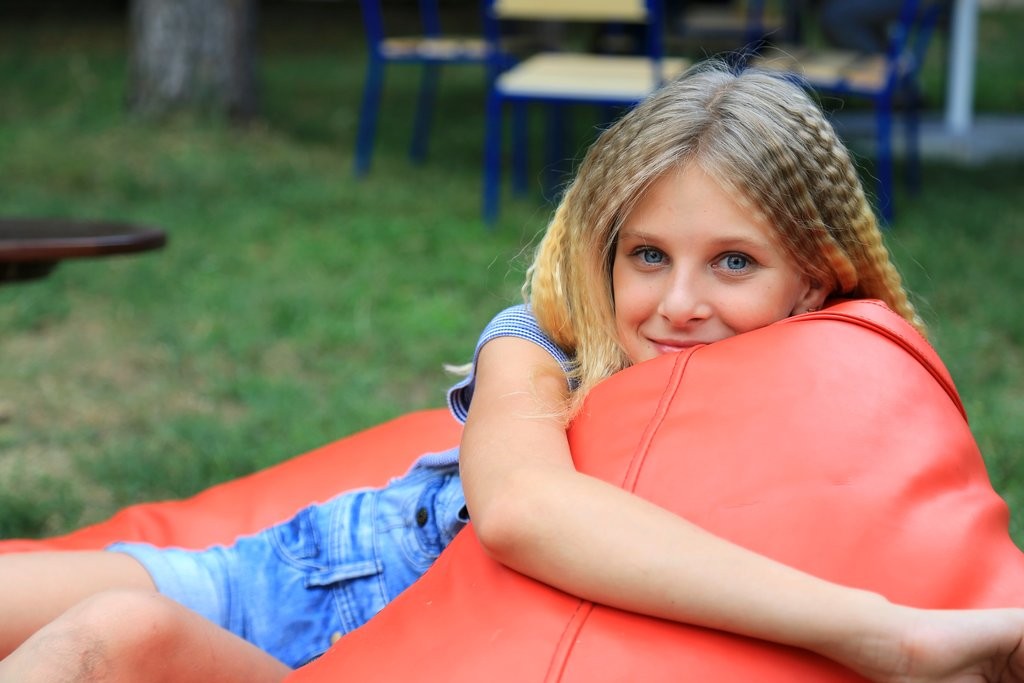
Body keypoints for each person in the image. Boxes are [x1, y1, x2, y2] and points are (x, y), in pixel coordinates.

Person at [2, 60, 1024, 682]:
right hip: (283, 581)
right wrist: (883, 635)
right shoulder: (538, 343)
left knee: (110, 640)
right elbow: (524, 509)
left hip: (378, 660)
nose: (678, 302)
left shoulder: (842, 394)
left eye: (734, 263)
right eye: (646, 254)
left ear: (815, 274)